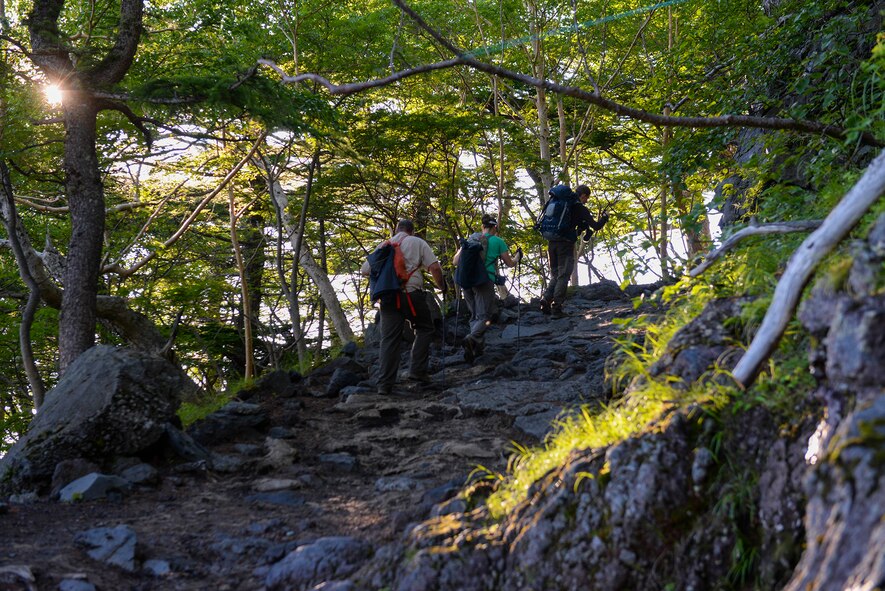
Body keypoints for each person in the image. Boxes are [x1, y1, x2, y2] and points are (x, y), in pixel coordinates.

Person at [361, 219, 447, 395]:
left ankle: (384, 384)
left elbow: (365, 270)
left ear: (396, 229)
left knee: (389, 339)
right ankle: (417, 372)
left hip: (388, 297)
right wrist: (443, 287)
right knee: (424, 328)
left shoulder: (385, 245)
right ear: (412, 231)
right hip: (411, 294)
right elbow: (435, 268)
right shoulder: (417, 242)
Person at [453, 214, 522, 362]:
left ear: (482, 227)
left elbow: (455, 261)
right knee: (485, 316)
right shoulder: (498, 241)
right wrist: (517, 257)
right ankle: (471, 338)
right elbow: (510, 263)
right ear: (494, 227)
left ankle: (476, 348)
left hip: (466, 280)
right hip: (484, 280)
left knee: (475, 315)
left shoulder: (471, 239)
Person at [540, 184, 608, 318]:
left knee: (555, 274)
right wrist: (605, 218)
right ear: (583, 195)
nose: (586, 201)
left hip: (551, 242)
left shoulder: (561, 203)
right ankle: (557, 308)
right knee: (564, 275)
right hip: (565, 244)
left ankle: (546, 299)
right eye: (586, 198)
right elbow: (596, 226)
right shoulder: (579, 207)